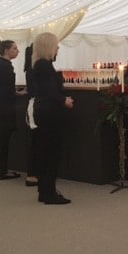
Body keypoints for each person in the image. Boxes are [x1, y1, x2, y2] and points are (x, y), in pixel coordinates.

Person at [31, 32, 74, 204]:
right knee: (52, 154)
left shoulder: (41, 64)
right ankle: (49, 192)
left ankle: (45, 190)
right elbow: (49, 91)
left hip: (45, 112)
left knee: (46, 152)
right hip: (49, 114)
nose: (58, 48)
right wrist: (64, 100)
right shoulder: (44, 65)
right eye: (56, 45)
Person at [0, 39, 25, 180]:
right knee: (3, 141)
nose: (17, 51)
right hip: (5, 108)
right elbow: (7, 90)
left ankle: (1, 169)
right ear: (6, 50)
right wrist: (17, 93)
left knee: (0, 140)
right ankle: (2, 171)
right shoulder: (6, 67)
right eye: (14, 48)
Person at [23, 44, 39, 187]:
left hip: (35, 105)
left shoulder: (31, 69)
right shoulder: (34, 69)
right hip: (36, 107)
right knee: (36, 142)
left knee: (36, 141)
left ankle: (34, 173)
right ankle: (32, 174)